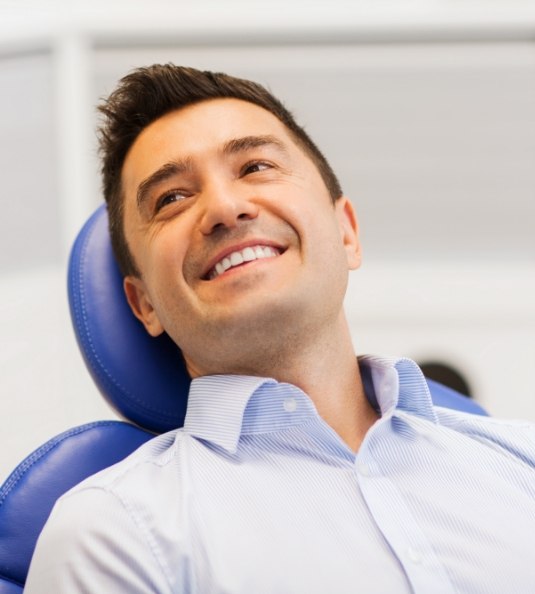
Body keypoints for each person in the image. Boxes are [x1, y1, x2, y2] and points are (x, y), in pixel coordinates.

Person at [25, 64, 535, 593]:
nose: (224, 207)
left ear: (346, 233)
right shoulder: (113, 534)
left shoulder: (522, 458)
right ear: (143, 303)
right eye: (171, 198)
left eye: (256, 166)